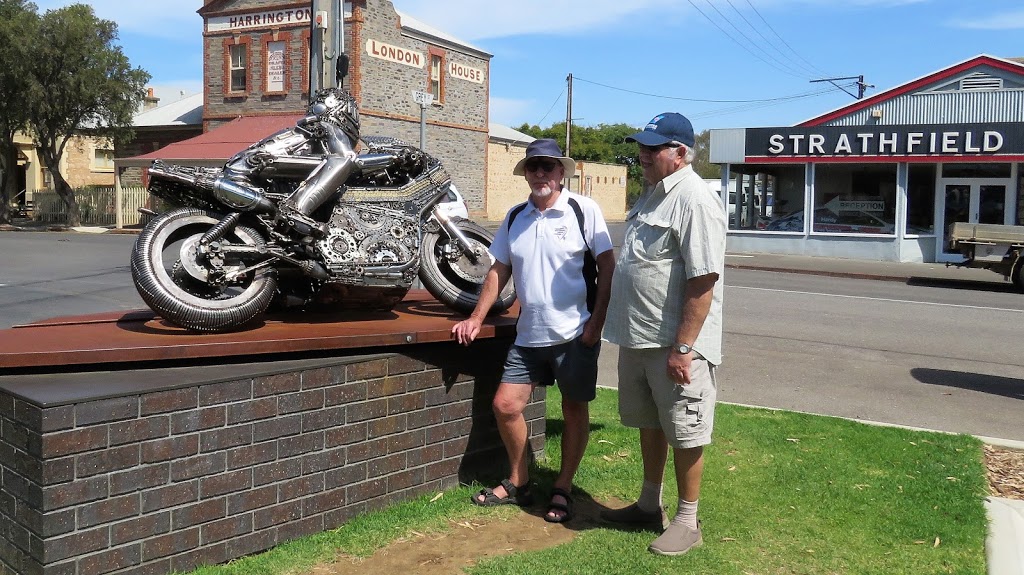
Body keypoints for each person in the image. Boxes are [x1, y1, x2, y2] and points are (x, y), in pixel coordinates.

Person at [452, 138, 615, 523]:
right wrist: (476, 317)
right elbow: (498, 270)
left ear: (561, 172)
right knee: (505, 406)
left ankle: (562, 488)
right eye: (532, 167)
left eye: (547, 166)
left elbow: (608, 266)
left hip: (575, 333)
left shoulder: (582, 210)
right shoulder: (515, 217)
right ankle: (519, 482)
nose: (540, 173)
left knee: (574, 410)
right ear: (526, 173)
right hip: (528, 336)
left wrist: (596, 325)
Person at [600, 113, 727, 556]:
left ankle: (688, 521)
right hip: (640, 337)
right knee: (650, 423)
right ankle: (648, 505)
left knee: (686, 431)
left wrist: (684, 349)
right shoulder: (653, 194)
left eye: (654, 149)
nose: (644, 155)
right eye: (643, 147)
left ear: (681, 153)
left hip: (675, 346)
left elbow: (702, 281)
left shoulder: (693, 199)